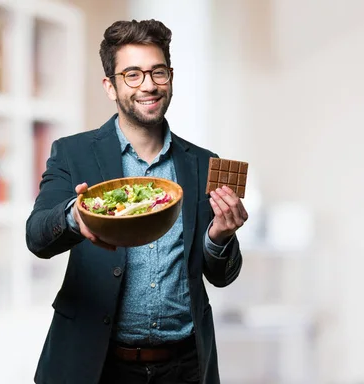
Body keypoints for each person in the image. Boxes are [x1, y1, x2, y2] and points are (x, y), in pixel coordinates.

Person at [26, 19, 248, 384]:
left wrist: (220, 237)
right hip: (95, 363)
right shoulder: (72, 153)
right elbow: (36, 237)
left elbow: (222, 276)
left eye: (157, 72)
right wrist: (75, 218)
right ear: (110, 86)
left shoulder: (205, 163)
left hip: (185, 366)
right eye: (132, 74)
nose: (148, 85)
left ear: (171, 77)